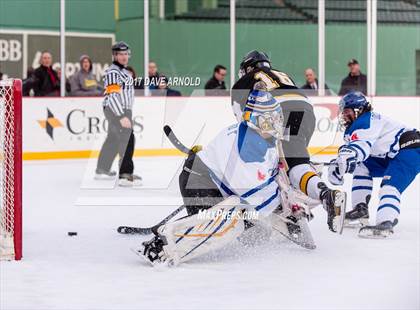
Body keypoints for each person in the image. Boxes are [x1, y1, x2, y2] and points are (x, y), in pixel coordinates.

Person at [139, 90, 345, 266]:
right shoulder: (246, 151)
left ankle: (186, 227)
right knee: (233, 220)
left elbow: (271, 174)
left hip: (209, 177)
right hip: (199, 182)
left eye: (276, 118)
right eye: (269, 120)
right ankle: (164, 247)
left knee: (256, 236)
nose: (274, 125)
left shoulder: (257, 135)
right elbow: (259, 202)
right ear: (255, 121)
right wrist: (291, 200)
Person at [231, 50, 344, 222]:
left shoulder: (244, 80)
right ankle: (294, 197)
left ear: (249, 67)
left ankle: (325, 195)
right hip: (306, 111)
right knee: (288, 160)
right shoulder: (282, 75)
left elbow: (241, 121)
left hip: (281, 111)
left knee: (287, 163)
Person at [328, 91, 420, 238]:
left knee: (389, 187)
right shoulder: (358, 124)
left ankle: (385, 222)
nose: (343, 115)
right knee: (361, 166)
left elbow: (361, 146)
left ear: (358, 110)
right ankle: (361, 208)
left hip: (410, 150)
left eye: (346, 111)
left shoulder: (366, 121)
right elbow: (355, 154)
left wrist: (347, 157)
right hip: (392, 154)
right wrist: (339, 163)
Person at [95, 41, 141, 186]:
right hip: (116, 109)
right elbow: (113, 95)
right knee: (128, 138)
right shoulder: (113, 72)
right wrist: (121, 116)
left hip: (121, 109)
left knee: (113, 139)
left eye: (126, 54)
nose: (124, 57)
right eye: (120, 54)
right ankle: (125, 175)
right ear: (114, 55)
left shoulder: (124, 72)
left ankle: (102, 169)